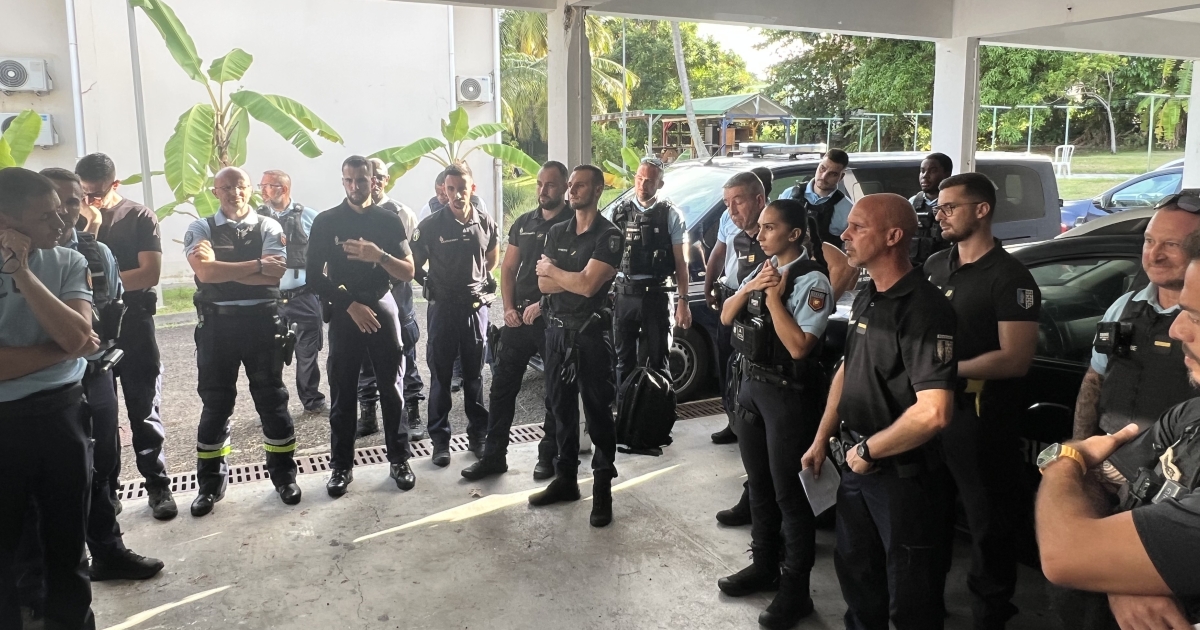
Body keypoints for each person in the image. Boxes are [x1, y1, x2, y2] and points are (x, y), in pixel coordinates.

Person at [802, 193, 958, 630]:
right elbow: (849, 369)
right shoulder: (870, 294)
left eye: (857, 227)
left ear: (893, 236)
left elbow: (934, 412)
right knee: (858, 579)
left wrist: (870, 450)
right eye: (847, 226)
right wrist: (821, 439)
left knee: (910, 597)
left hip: (904, 480)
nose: (844, 235)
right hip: (856, 467)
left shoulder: (925, 310)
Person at [924, 172, 1041, 629]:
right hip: (929, 414)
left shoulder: (1010, 277)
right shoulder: (935, 265)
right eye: (938, 207)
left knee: (988, 526)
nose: (940, 215)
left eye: (949, 207)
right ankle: (925, 604)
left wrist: (945, 371)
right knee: (928, 515)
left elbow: (1015, 358)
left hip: (980, 423)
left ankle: (990, 616)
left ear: (982, 210)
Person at [37, 168, 164, 580]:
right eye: (56, 202)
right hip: (42, 386)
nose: (65, 212)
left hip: (94, 373)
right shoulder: (19, 259)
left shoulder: (97, 253)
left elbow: (105, 317)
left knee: (103, 463)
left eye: (74, 202)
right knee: (49, 479)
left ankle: (108, 552)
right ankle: (47, 571)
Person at [715, 199, 835, 628]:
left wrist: (773, 299)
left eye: (769, 228)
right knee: (759, 486)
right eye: (760, 228)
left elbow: (800, 346)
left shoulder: (812, 280)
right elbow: (728, 317)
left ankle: (795, 588)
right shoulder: (761, 269)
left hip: (787, 396)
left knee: (790, 496)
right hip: (751, 389)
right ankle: (763, 564)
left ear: (794, 235)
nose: (760, 234)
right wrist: (751, 288)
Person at [0, 168, 100, 630]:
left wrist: (21, 272)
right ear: (6, 222)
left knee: (67, 541)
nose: (61, 225)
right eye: (46, 217)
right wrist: (59, 349)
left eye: (61, 212)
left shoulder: (67, 262)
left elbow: (79, 335)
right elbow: (74, 341)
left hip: (61, 413)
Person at [183, 167, 301, 516]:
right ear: (215, 191)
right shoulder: (200, 227)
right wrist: (253, 267)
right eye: (226, 187)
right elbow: (204, 273)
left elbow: (275, 273)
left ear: (250, 190)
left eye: (240, 186)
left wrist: (222, 270)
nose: (234, 192)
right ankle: (209, 486)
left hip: (262, 325)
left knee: (272, 401)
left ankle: (284, 478)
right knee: (216, 405)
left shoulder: (270, 226)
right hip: (217, 328)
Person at [308, 156, 417, 496]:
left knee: (392, 389)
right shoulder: (326, 221)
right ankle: (341, 467)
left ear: (375, 181)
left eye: (362, 180)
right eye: (349, 181)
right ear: (343, 182)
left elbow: (408, 271)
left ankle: (399, 460)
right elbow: (313, 277)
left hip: (382, 303)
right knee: (342, 393)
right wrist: (349, 306)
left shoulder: (388, 220)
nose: (355, 186)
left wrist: (379, 256)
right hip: (344, 308)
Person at [75, 153, 176, 520]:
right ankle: (108, 493)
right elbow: (70, 271)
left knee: (143, 407)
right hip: (90, 330)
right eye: (83, 193)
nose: (89, 201)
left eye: (97, 194)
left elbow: (149, 274)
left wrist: (98, 286)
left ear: (115, 184)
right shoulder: (74, 220)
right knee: (100, 418)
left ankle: (158, 486)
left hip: (133, 324)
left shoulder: (138, 216)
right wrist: (91, 227)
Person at [461, 161, 571, 481]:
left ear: (564, 187)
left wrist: (544, 303)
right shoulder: (524, 222)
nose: (542, 190)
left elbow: (577, 277)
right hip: (519, 319)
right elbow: (507, 268)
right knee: (502, 389)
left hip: (553, 320)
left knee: (554, 392)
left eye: (550, 185)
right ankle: (494, 456)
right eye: (539, 184)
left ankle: (547, 456)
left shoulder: (574, 225)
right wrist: (508, 308)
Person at [529, 164, 623, 528]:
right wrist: (565, 277)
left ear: (598, 189)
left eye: (580, 185)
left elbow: (588, 287)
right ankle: (565, 479)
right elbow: (543, 287)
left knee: (599, 414)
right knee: (561, 410)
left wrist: (557, 273)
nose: (572, 190)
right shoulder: (556, 231)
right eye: (570, 185)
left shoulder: (609, 235)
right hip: (556, 333)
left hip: (590, 335)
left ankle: (602, 490)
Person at [1073, 198, 1200, 440]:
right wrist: (1080, 452)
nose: (1155, 255)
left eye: (1171, 244)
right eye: (1149, 241)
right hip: (1109, 459)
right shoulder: (1124, 307)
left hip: (1176, 469)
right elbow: (1094, 380)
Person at [410, 163, 499, 467]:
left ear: (472, 188)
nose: (457, 195)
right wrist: (429, 284)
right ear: (443, 190)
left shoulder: (485, 221)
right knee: (441, 376)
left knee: (474, 376)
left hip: (475, 309)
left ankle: (478, 437)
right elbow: (414, 265)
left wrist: (477, 282)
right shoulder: (432, 225)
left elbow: (492, 258)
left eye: (462, 188)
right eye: (450, 189)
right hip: (443, 309)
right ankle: (440, 441)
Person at [609, 157, 691, 395]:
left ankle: (658, 421)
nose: (643, 185)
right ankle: (626, 419)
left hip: (657, 295)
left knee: (658, 363)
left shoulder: (671, 215)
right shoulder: (620, 212)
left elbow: (680, 262)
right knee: (623, 363)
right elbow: (607, 256)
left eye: (649, 181)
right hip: (625, 295)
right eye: (639, 179)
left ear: (660, 184)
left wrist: (683, 302)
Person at [358, 158, 426, 442]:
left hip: (399, 301)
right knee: (365, 361)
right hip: (364, 303)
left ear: (386, 180)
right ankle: (368, 414)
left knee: (406, 359)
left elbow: (412, 261)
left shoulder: (402, 213)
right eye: (368, 177)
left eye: (379, 177)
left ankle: (412, 413)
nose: (374, 182)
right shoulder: (351, 214)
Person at [705, 172, 770, 448]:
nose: (731, 210)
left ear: (759, 200)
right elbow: (719, 252)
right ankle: (733, 421)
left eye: (738, 202)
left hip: (761, 309)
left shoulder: (777, 227)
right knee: (727, 364)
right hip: (731, 300)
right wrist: (710, 284)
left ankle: (758, 428)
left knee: (753, 371)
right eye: (726, 203)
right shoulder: (735, 229)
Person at [256, 169, 328, 415]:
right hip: (270, 299)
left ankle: (312, 401)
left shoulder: (309, 217)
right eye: (261, 186)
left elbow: (325, 256)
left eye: (268, 186)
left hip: (303, 296)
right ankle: (273, 407)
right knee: (267, 355)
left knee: (307, 353)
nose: (262, 190)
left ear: (283, 189)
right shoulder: (255, 219)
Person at [779, 149, 853, 249]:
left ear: (841, 177)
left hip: (824, 264)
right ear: (818, 166)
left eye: (832, 174)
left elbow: (849, 251)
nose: (824, 176)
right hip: (788, 263)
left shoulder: (848, 209)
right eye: (822, 168)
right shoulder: (789, 195)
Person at [909, 153, 953, 266]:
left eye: (932, 171)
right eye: (922, 171)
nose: (925, 176)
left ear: (947, 174)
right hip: (916, 268)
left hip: (944, 267)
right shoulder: (913, 202)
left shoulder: (955, 202)